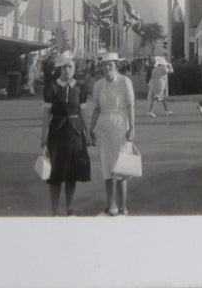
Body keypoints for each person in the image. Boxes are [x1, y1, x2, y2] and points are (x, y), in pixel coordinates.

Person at [40, 50, 91, 216]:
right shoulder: (52, 87)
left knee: (72, 173)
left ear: (74, 68)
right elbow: (46, 114)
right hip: (57, 133)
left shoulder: (80, 87)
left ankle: (70, 209)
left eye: (69, 67)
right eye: (63, 68)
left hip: (76, 133)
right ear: (59, 70)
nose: (66, 70)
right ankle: (54, 211)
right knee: (55, 173)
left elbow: (83, 112)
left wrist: (88, 133)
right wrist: (43, 136)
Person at [88, 52, 135, 216]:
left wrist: (132, 127)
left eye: (110, 65)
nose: (107, 68)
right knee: (107, 166)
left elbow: (130, 106)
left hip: (121, 124)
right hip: (104, 126)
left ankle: (123, 206)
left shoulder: (124, 82)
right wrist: (91, 130)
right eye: (104, 65)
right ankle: (111, 205)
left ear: (116, 66)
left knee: (121, 164)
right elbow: (96, 109)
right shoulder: (98, 85)